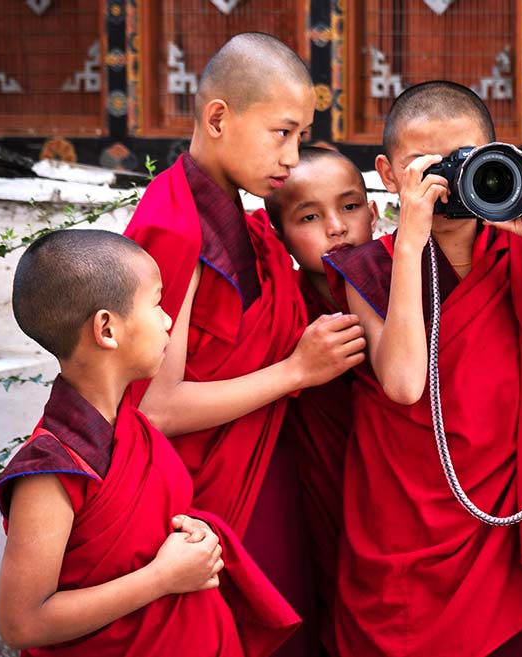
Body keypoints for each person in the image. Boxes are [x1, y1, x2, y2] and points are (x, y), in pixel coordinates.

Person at [323, 80, 522, 657]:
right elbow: (401, 383)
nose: (445, 185)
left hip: (509, 537)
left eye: (461, 162)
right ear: (387, 174)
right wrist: (408, 248)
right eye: (425, 168)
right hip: (408, 534)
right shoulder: (368, 267)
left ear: (493, 162)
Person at [122, 32, 364, 657]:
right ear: (219, 117)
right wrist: (296, 372)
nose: (292, 155)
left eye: (301, 135)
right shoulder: (174, 226)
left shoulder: (245, 220)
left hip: (265, 470)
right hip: (213, 497)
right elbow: (156, 407)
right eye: (281, 132)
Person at [0, 229, 299, 657]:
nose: (168, 319)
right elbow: (21, 623)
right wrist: (163, 577)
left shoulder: (131, 427)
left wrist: (191, 535)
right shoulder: (51, 469)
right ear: (107, 329)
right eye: (157, 303)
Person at [265, 146, 378, 656]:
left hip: (401, 502)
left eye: (350, 206)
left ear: (374, 212)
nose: (336, 227)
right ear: (281, 235)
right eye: (309, 216)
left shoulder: (413, 289)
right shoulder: (278, 312)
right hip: (319, 496)